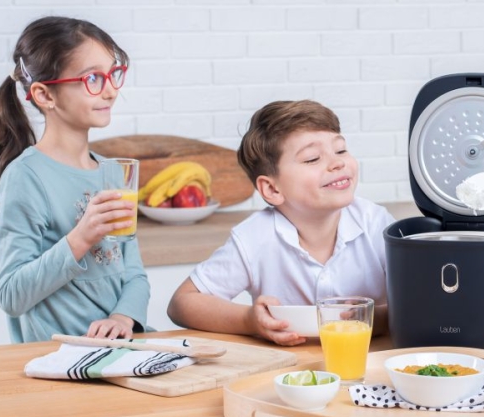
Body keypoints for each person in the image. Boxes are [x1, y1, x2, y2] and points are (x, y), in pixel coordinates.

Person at [167, 100, 394, 346]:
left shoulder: (376, 225)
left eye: (340, 150)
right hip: (289, 374)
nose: (337, 162)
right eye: (312, 158)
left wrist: (378, 318)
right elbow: (181, 303)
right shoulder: (255, 237)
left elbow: (425, 299)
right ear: (273, 189)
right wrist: (250, 320)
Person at [0, 16, 148, 343]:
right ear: (45, 95)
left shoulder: (112, 172)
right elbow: (11, 296)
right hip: (61, 362)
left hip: (120, 350)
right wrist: (81, 238)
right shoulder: (25, 177)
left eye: (113, 74)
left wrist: (123, 317)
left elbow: (134, 273)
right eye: (93, 78)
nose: (110, 91)